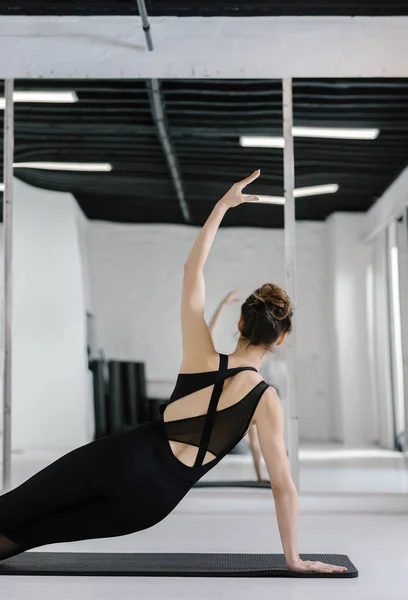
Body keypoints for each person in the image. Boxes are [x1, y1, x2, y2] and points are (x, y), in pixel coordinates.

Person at [0, 170, 346, 575]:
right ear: (281, 339)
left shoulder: (201, 355)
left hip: (126, 458)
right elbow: (283, 485)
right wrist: (294, 559)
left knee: (15, 509)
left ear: (238, 323)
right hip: (154, 502)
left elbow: (192, 272)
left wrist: (222, 206)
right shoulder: (266, 400)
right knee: (31, 533)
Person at [208, 290, 268, 482]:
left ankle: (260, 474)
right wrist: (222, 305)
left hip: (241, 404)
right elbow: (208, 335)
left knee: (255, 437)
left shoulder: (252, 375)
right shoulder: (227, 366)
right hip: (222, 407)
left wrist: (260, 477)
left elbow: (255, 442)